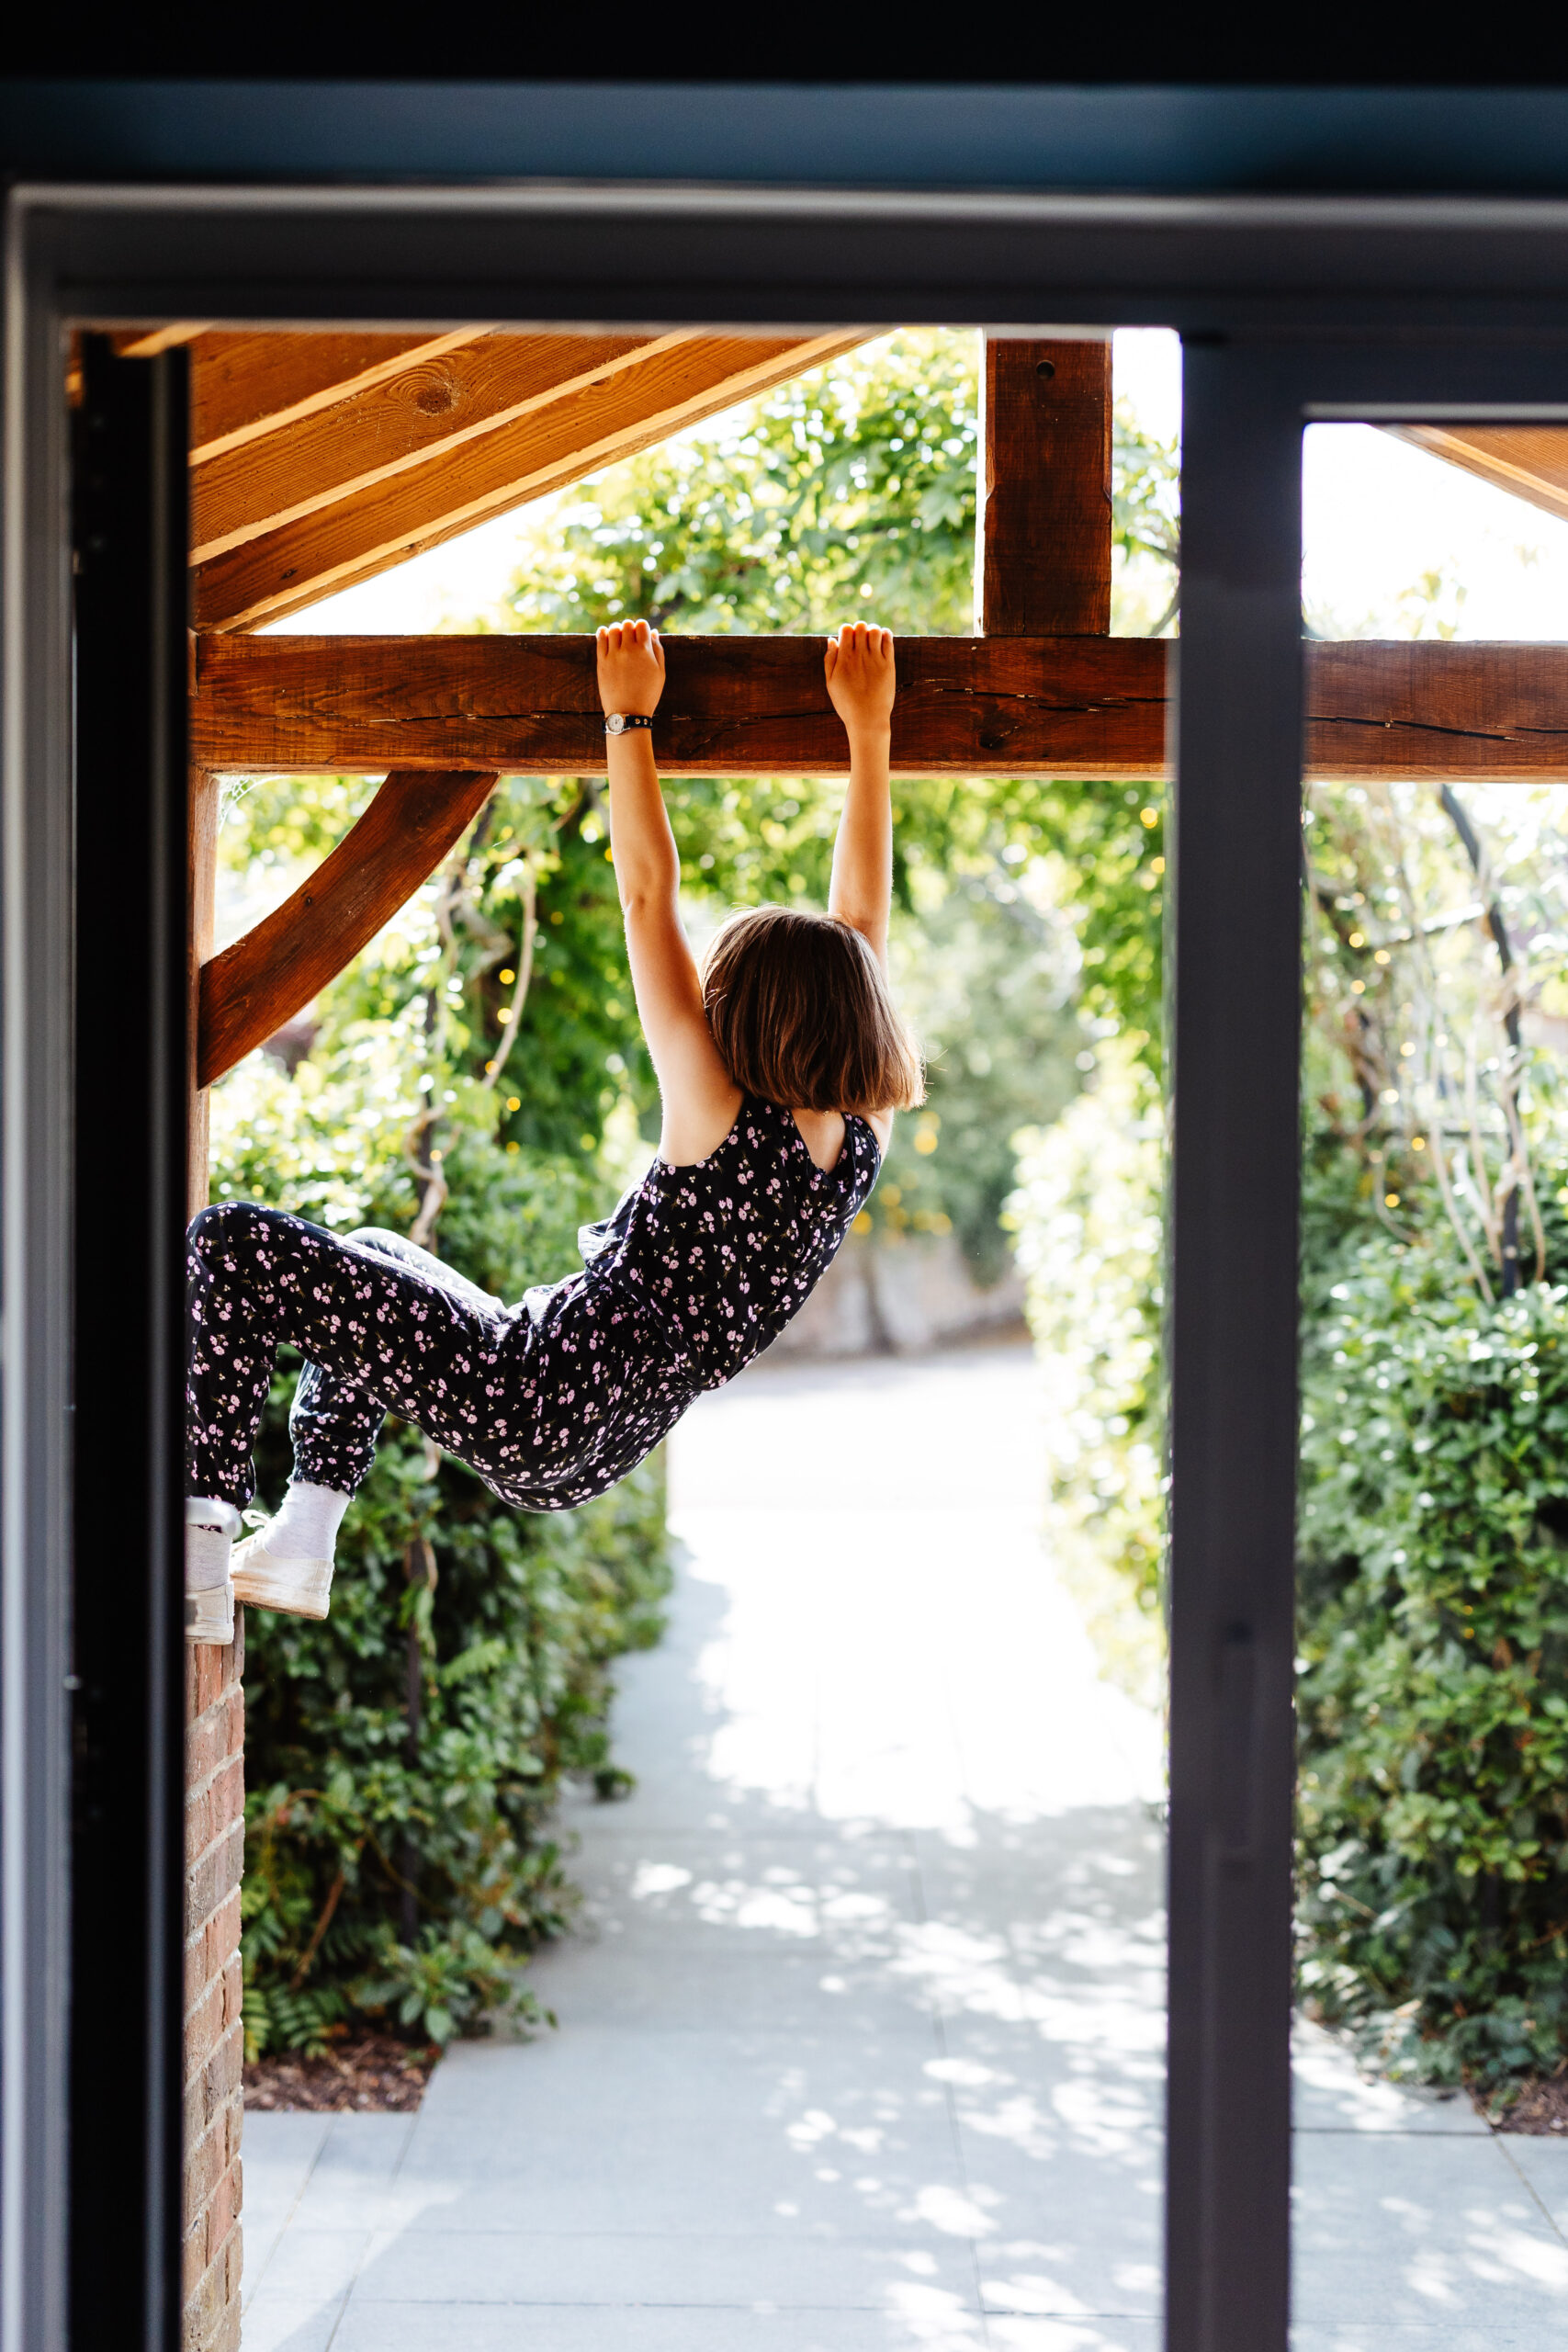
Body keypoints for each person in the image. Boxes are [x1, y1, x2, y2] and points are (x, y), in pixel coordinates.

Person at [184, 619, 921, 1644]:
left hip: (528, 1390)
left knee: (231, 1244)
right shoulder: (854, 1144)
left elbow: (646, 894)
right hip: (590, 1437)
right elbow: (862, 933)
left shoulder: (716, 1114)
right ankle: (303, 1539)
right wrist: (869, 734)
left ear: (741, 1017)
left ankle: (196, 1539)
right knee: (377, 1259)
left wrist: (630, 717)